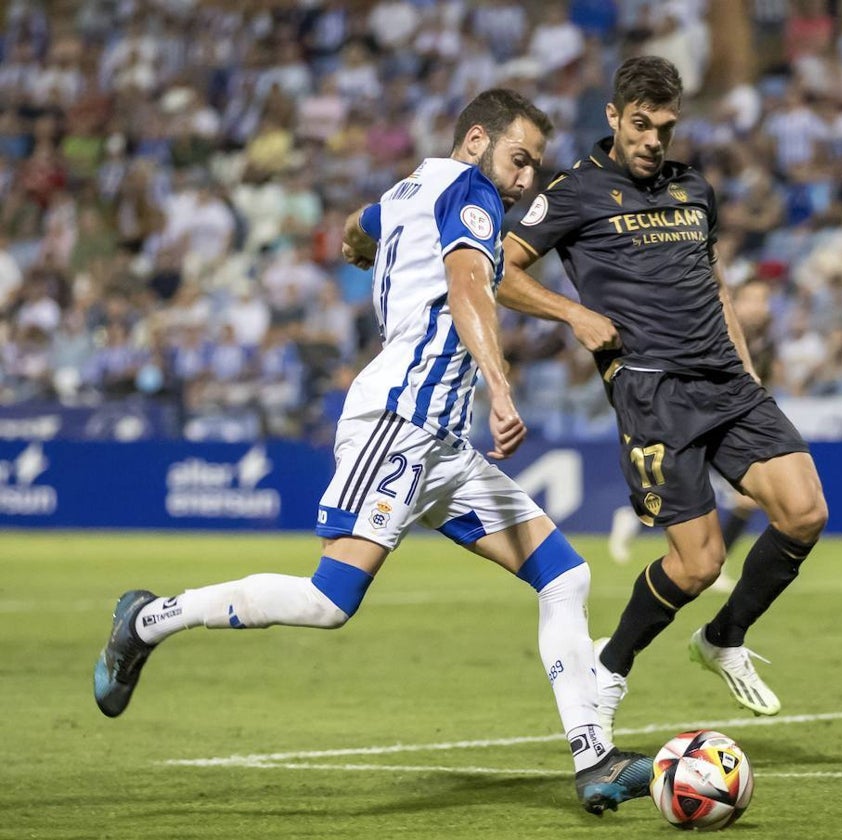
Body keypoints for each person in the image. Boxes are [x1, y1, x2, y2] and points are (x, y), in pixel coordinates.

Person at [93, 88, 651, 815]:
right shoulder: (471, 193)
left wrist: (360, 244)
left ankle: (593, 759)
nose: (525, 181)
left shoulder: (412, 187)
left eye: (534, 168)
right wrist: (501, 385)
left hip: (441, 443)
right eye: (520, 160)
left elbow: (360, 225)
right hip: (401, 418)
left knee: (565, 576)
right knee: (330, 601)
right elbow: (468, 287)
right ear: (478, 141)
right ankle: (147, 619)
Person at [497, 57, 829, 739]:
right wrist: (574, 316)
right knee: (700, 563)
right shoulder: (571, 192)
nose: (653, 139)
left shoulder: (694, 190)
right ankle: (612, 668)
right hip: (654, 393)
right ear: (615, 117)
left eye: (666, 127)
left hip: (729, 383)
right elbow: (497, 270)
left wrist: (749, 373)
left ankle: (722, 638)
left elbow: (717, 285)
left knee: (804, 513)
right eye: (641, 124)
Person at [606, 278, 780, 598]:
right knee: (690, 497)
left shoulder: (765, 341)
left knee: (743, 499)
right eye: (754, 298)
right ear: (734, 302)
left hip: (729, 418)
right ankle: (634, 518)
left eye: (765, 299)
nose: (761, 306)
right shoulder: (714, 325)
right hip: (693, 415)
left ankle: (710, 559)